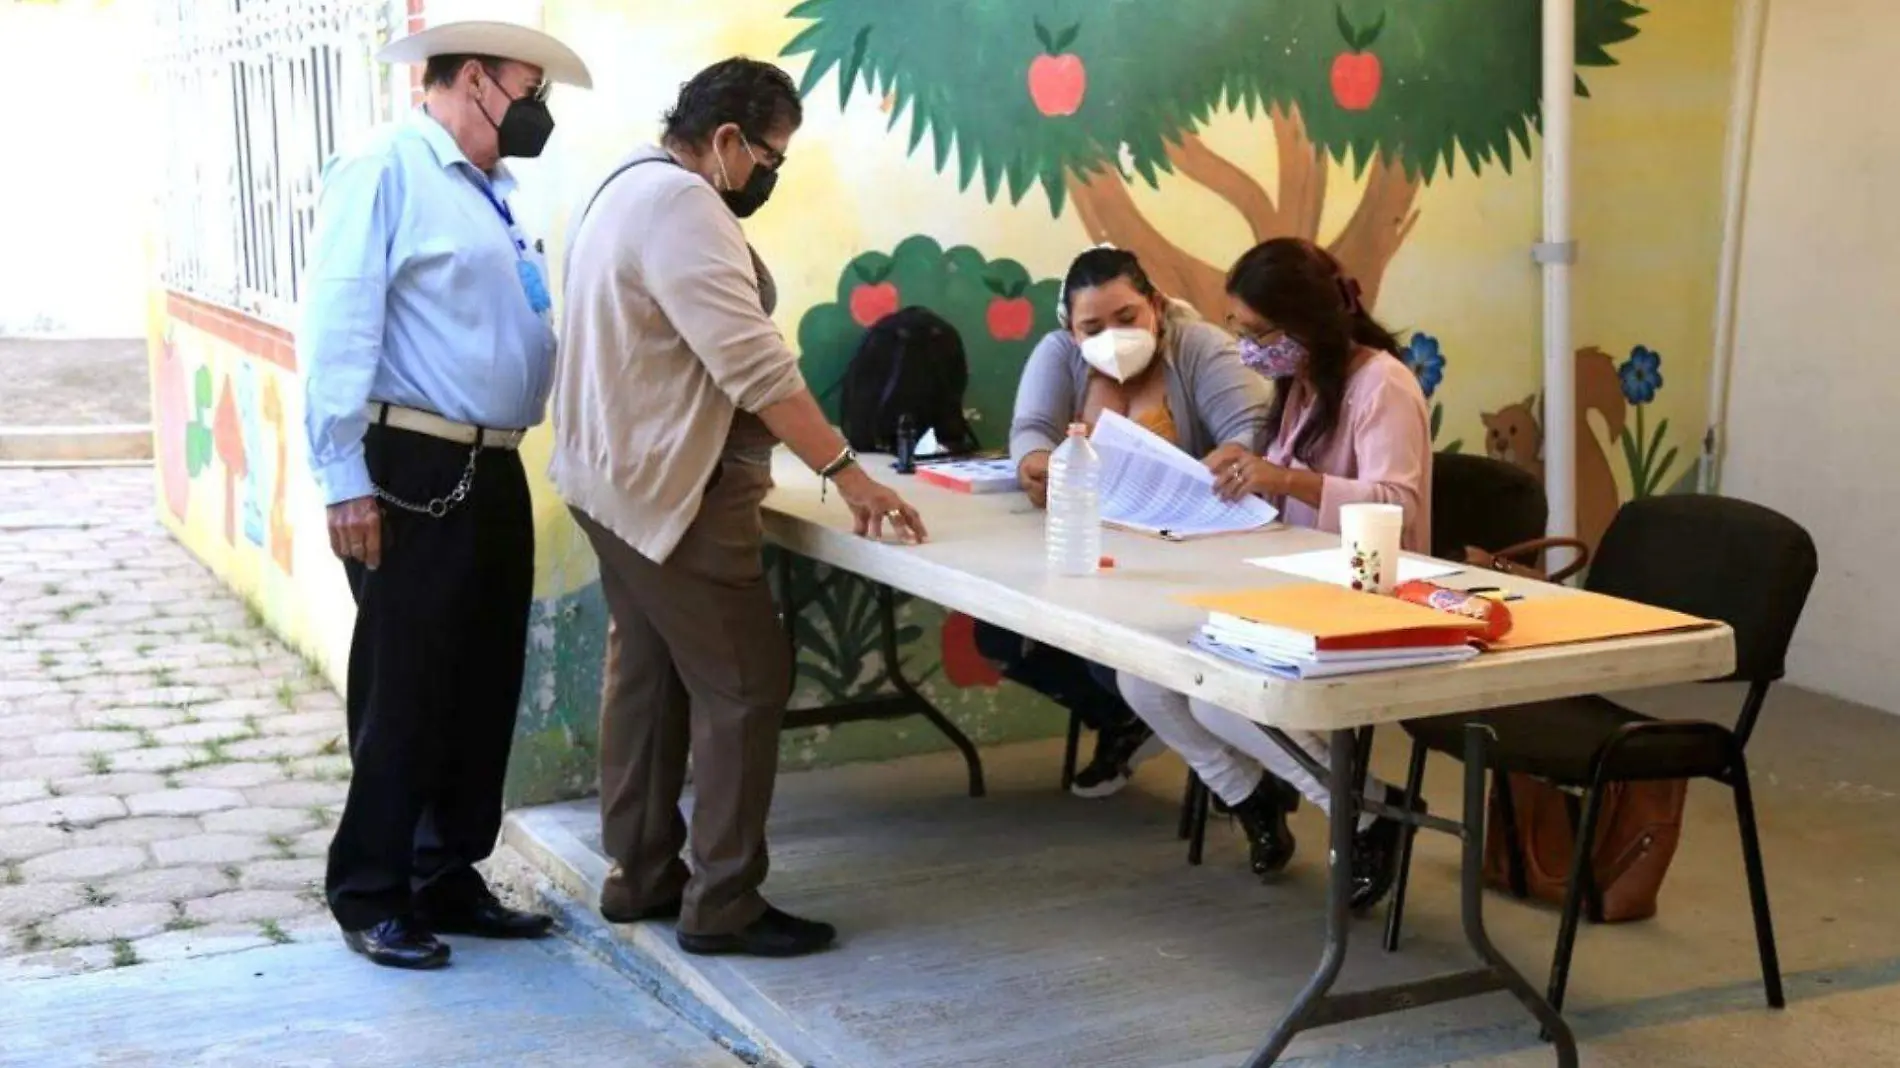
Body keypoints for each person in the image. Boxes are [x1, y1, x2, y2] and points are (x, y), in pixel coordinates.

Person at [550, 58, 926, 960]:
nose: (771, 175)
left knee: (645, 677)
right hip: (675, 494)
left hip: (611, 480)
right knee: (746, 683)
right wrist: (849, 472)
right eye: (769, 155)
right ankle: (724, 903)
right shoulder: (686, 206)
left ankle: (638, 873)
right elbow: (754, 367)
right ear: (724, 141)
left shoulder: (623, 186)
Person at [297, 19, 593, 969]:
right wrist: (344, 478)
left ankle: (444, 870)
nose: (537, 108)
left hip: (491, 461)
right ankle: (371, 889)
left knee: (481, 679)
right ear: (473, 79)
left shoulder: (492, 189)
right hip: (413, 463)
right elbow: (340, 321)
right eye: (528, 87)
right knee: (409, 682)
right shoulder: (387, 166)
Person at [1115, 237, 1433, 912]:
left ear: (1309, 322)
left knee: (1212, 695)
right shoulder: (1302, 384)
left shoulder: (1384, 385)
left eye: (1259, 332)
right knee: (1139, 673)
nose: (1248, 346)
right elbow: (1281, 488)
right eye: (1239, 328)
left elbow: (1398, 508)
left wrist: (1286, 477)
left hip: (1361, 591)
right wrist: (1242, 463)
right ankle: (1249, 793)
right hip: (1285, 577)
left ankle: (1372, 815)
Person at [987, 247, 1273, 797]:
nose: (1112, 336)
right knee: (998, 631)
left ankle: (1236, 773)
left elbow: (1252, 426)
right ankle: (1126, 719)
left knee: (1114, 652)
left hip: (1184, 548)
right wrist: (1035, 464)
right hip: (1095, 540)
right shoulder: (1058, 354)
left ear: (1157, 307)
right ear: (1070, 330)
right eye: (1091, 326)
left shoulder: (1200, 347)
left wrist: (1231, 455)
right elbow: (1031, 428)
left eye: (1127, 318)